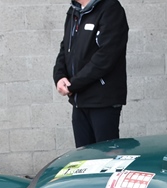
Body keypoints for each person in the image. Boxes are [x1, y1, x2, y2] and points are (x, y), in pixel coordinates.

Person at [54, 0, 129, 148]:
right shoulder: (74, 12)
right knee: (83, 156)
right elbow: (66, 48)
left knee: (106, 155)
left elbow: (106, 57)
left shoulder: (110, 9)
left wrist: (73, 85)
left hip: (102, 101)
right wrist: (59, 76)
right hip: (79, 100)